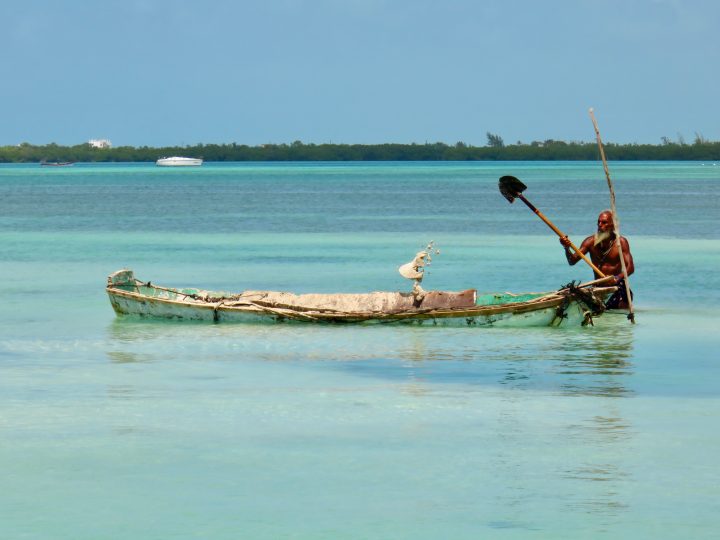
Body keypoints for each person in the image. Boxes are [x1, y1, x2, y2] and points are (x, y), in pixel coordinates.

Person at [559, 210, 635, 309]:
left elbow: (630, 268)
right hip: (598, 288)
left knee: (620, 308)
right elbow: (572, 261)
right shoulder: (590, 242)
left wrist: (616, 278)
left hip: (616, 287)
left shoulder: (621, 243)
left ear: (612, 225)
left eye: (604, 222)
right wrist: (566, 248)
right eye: (598, 222)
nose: (600, 225)